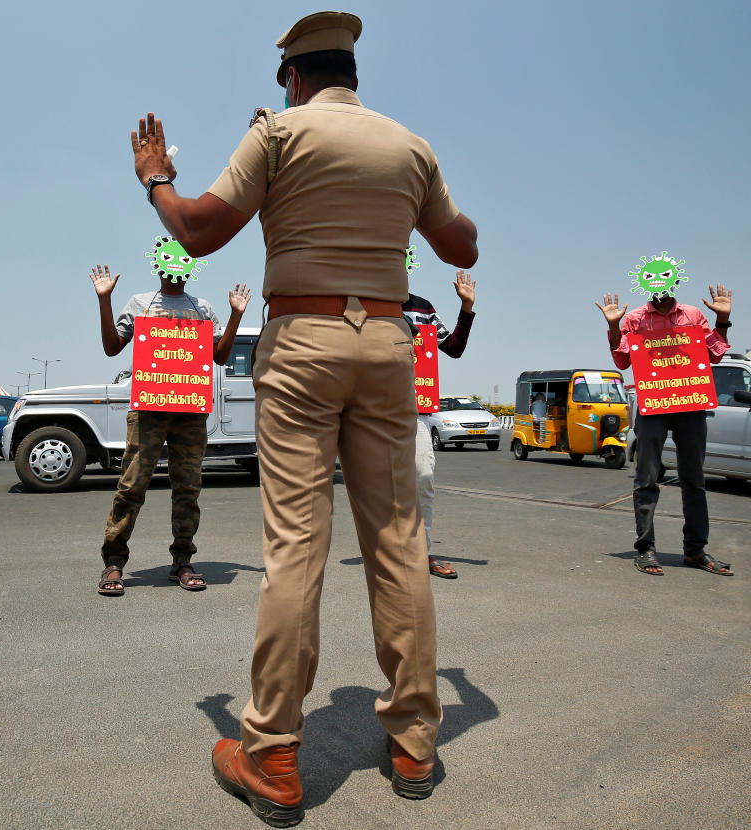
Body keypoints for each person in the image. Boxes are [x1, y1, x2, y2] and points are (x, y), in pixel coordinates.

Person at [126, 10, 478, 822]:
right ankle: (416, 743)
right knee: (398, 543)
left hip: (302, 343)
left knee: (295, 550)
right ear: (352, 76)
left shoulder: (279, 134)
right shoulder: (409, 146)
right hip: (388, 344)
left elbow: (199, 230)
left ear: (292, 76)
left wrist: (153, 177)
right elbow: (460, 247)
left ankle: (275, 756)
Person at [89, 263, 250, 596]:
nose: (175, 271)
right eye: (169, 263)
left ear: (190, 269)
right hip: (148, 410)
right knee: (131, 486)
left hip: (189, 412)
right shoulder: (140, 303)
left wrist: (235, 316)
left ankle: (182, 561)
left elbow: (219, 357)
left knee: (188, 488)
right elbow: (111, 347)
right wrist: (105, 300)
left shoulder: (201, 308)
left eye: (182, 263)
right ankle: (114, 561)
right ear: (157, 265)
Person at [596, 284, 735, 577]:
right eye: (652, 279)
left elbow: (716, 355)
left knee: (694, 479)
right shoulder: (634, 319)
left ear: (675, 281)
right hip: (652, 404)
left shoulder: (693, 315)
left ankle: (695, 550)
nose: (659, 285)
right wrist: (613, 326)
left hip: (690, 403)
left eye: (666, 278)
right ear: (644, 283)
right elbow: (623, 361)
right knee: (646, 479)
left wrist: (722, 320)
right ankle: (645, 549)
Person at [403, 270, 475, 579]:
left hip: (416, 412)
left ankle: (422, 552)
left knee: (423, 476)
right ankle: (390, 552)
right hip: (372, 412)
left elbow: (454, 348)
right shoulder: (366, 302)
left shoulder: (423, 308)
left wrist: (467, 308)